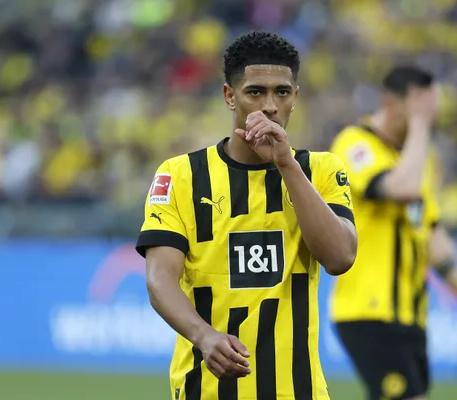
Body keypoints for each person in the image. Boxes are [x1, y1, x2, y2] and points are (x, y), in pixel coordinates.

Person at [136, 31, 358, 400]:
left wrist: (286, 165)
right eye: (255, 92)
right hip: (206, 391)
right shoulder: (180, 175)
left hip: (297, 392)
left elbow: (340, 258)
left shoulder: (320, 170)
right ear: (229, 96)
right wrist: (204, 336)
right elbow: (159, 278)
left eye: (282, 92)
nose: (270, 106)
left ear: (295, 97)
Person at [328, 66, 457, 400]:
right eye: (422, 110)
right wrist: (420, 126)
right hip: (368, 310)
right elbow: (401, 188)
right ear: (391, 103)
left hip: (409, 314)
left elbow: (432, 237)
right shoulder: (355, 144)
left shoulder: (419, 157)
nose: (429, 120)